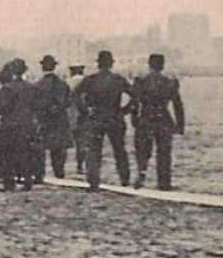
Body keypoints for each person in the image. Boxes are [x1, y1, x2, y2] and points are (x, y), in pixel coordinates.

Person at [75, 51, 132, 191]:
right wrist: (124, 110)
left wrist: (85, 110)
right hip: (114, 117)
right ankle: (125, 180)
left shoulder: (90, 80)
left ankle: (94, 182)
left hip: (96, 118)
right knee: (119, 149)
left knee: (94, 151)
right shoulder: (118, 80)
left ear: (98, 63)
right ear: (111, 63)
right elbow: (135, 96)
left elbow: (75, 96)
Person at [130, 53, 186, 190]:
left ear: (149, 65)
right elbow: (178, 105)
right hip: (163, 119)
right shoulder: (170, 82)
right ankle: (164, 182)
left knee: (142, 150)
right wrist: (180, 125)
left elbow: (134, 103)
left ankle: (141, 175)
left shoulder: (141, 81)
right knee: (164, 153)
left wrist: (134, 119)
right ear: (162, 65)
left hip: (146, 117)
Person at [0, 59, 41, 192]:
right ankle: (27, 180)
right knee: (26, 153)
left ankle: (9, 182)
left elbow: (2, 110)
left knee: (8, 153)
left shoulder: (6, 89)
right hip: (28, 124)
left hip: (10, 125)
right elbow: (38, 106)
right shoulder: (32, 88)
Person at [32, 54, 74, 180]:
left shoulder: (37, 85)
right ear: (55, 67)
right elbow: (68, 102)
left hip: (43, 119)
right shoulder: (62, 84)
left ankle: (39, 175)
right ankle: (59, 173)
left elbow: (34, 104)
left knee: (40, 148)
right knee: (59, 148)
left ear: (42, 67)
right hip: (60, 119)